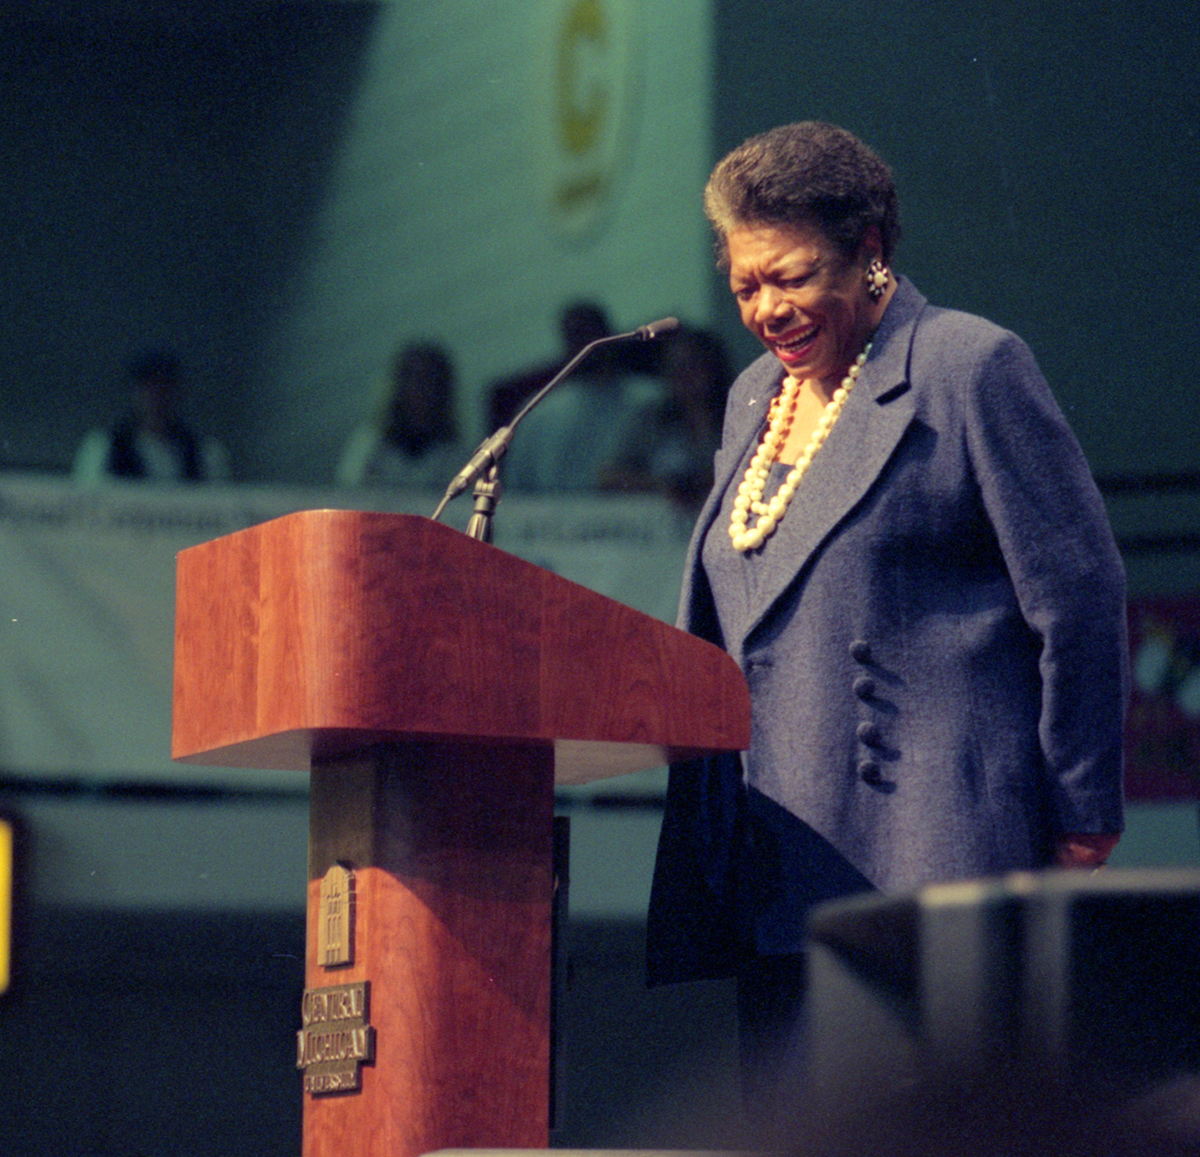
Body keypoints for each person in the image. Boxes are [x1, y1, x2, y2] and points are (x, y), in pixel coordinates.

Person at [646, 122, 1127, 1098]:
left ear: (870, 251)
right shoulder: (751, 400)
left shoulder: (966, 365)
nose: (765, 309)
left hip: (929, 857)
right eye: (745, 286)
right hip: (776, 860)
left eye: (791, 276)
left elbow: (1079, 596)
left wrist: (1080, 807)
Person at [498, 301, 663, 493]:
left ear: (609, 336)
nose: (584, 345)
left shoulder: (650, 399)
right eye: (575, 336)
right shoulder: (538, 411)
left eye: (591, 334)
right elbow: (516, 489)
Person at [598, 324, 731, 512]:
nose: (685, 375)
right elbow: (608, 476)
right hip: (663, 530)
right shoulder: (652, 418)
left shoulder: (740, 413)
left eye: (693, 365)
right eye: (676, 367)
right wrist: (662, 485)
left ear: (713, 366)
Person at [73, 350, 231, 484]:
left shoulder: (205, 453)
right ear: (135, 392)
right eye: (149, 387)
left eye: (165, 387)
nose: (156, 395)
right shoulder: (102, 447)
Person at [336, 342, 463, 489]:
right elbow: (349, 495)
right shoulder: (371, 445)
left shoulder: (454, 453)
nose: (422, 389)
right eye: (415, 379)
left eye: (430, 380)